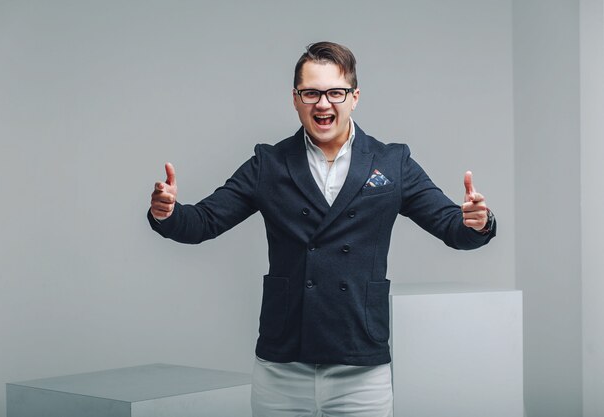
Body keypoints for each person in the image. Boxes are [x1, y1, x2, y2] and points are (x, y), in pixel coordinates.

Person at [148, 41, 496, 417]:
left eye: (335, 92)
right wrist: (167, 213)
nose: (323, 103)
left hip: (361, 364)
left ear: (355, 96)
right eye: (311, 92)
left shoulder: (392, 162)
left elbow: (450, 226)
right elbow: (203, 222)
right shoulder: (270, 163)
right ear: (295, 99)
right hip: (283, 365)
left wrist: (477, 222)